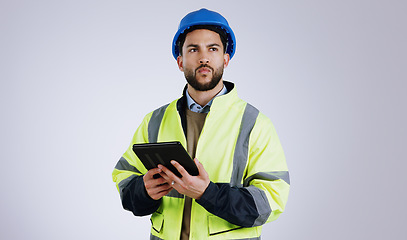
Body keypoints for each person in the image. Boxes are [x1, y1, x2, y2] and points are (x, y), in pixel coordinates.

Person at [112, 8, 290, 240]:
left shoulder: (255, 124)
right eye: (193, 49)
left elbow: (272, 202)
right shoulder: (154, 121)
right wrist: (143, 191)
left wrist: (208, 194)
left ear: (225, 59)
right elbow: (124, 177)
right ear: (180, 61)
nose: (203, 57)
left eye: (213, 49)